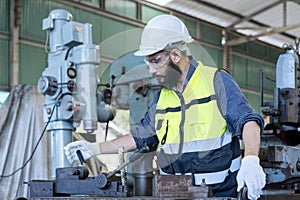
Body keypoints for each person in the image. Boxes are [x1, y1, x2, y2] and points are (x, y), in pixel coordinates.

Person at [64, 15, 266, 199]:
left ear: (176, 55)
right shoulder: (162, 98)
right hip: (175, 193)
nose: (151, 70)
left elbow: (248, 121)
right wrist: (95, 148)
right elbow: (138, 137)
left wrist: (250, 160)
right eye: (147, 62)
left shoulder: (216, 81)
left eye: (156, 61)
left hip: (219, 195)